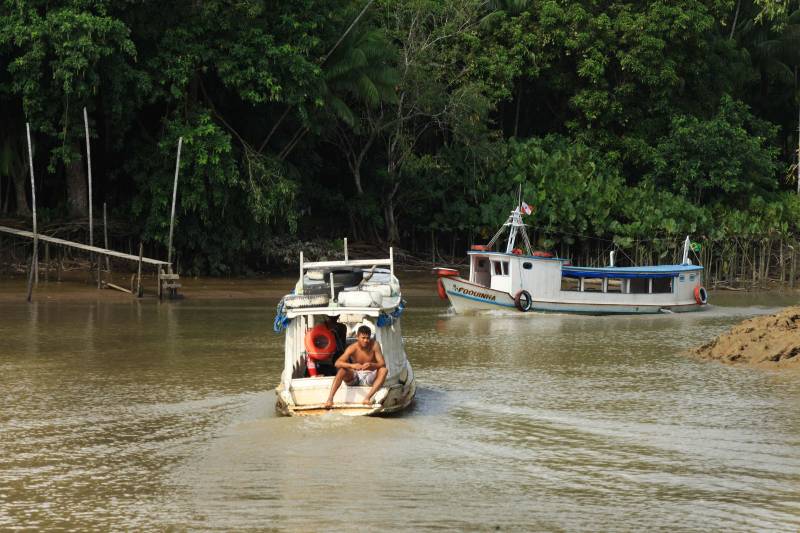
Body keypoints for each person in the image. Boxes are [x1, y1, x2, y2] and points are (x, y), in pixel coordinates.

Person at [324, 325, 388, 408]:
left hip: (370, 376)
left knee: (384, 370)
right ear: (357, 337)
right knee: (342, 370)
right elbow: (337, 363)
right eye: (363, 338)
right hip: (355, 376)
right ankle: (330, 399)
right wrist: (352, 365)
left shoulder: (375, 345)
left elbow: (382, 363)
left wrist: (372, 365)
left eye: (368, 338)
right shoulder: (352, 348)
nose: (366, 340)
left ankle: (367, 398)